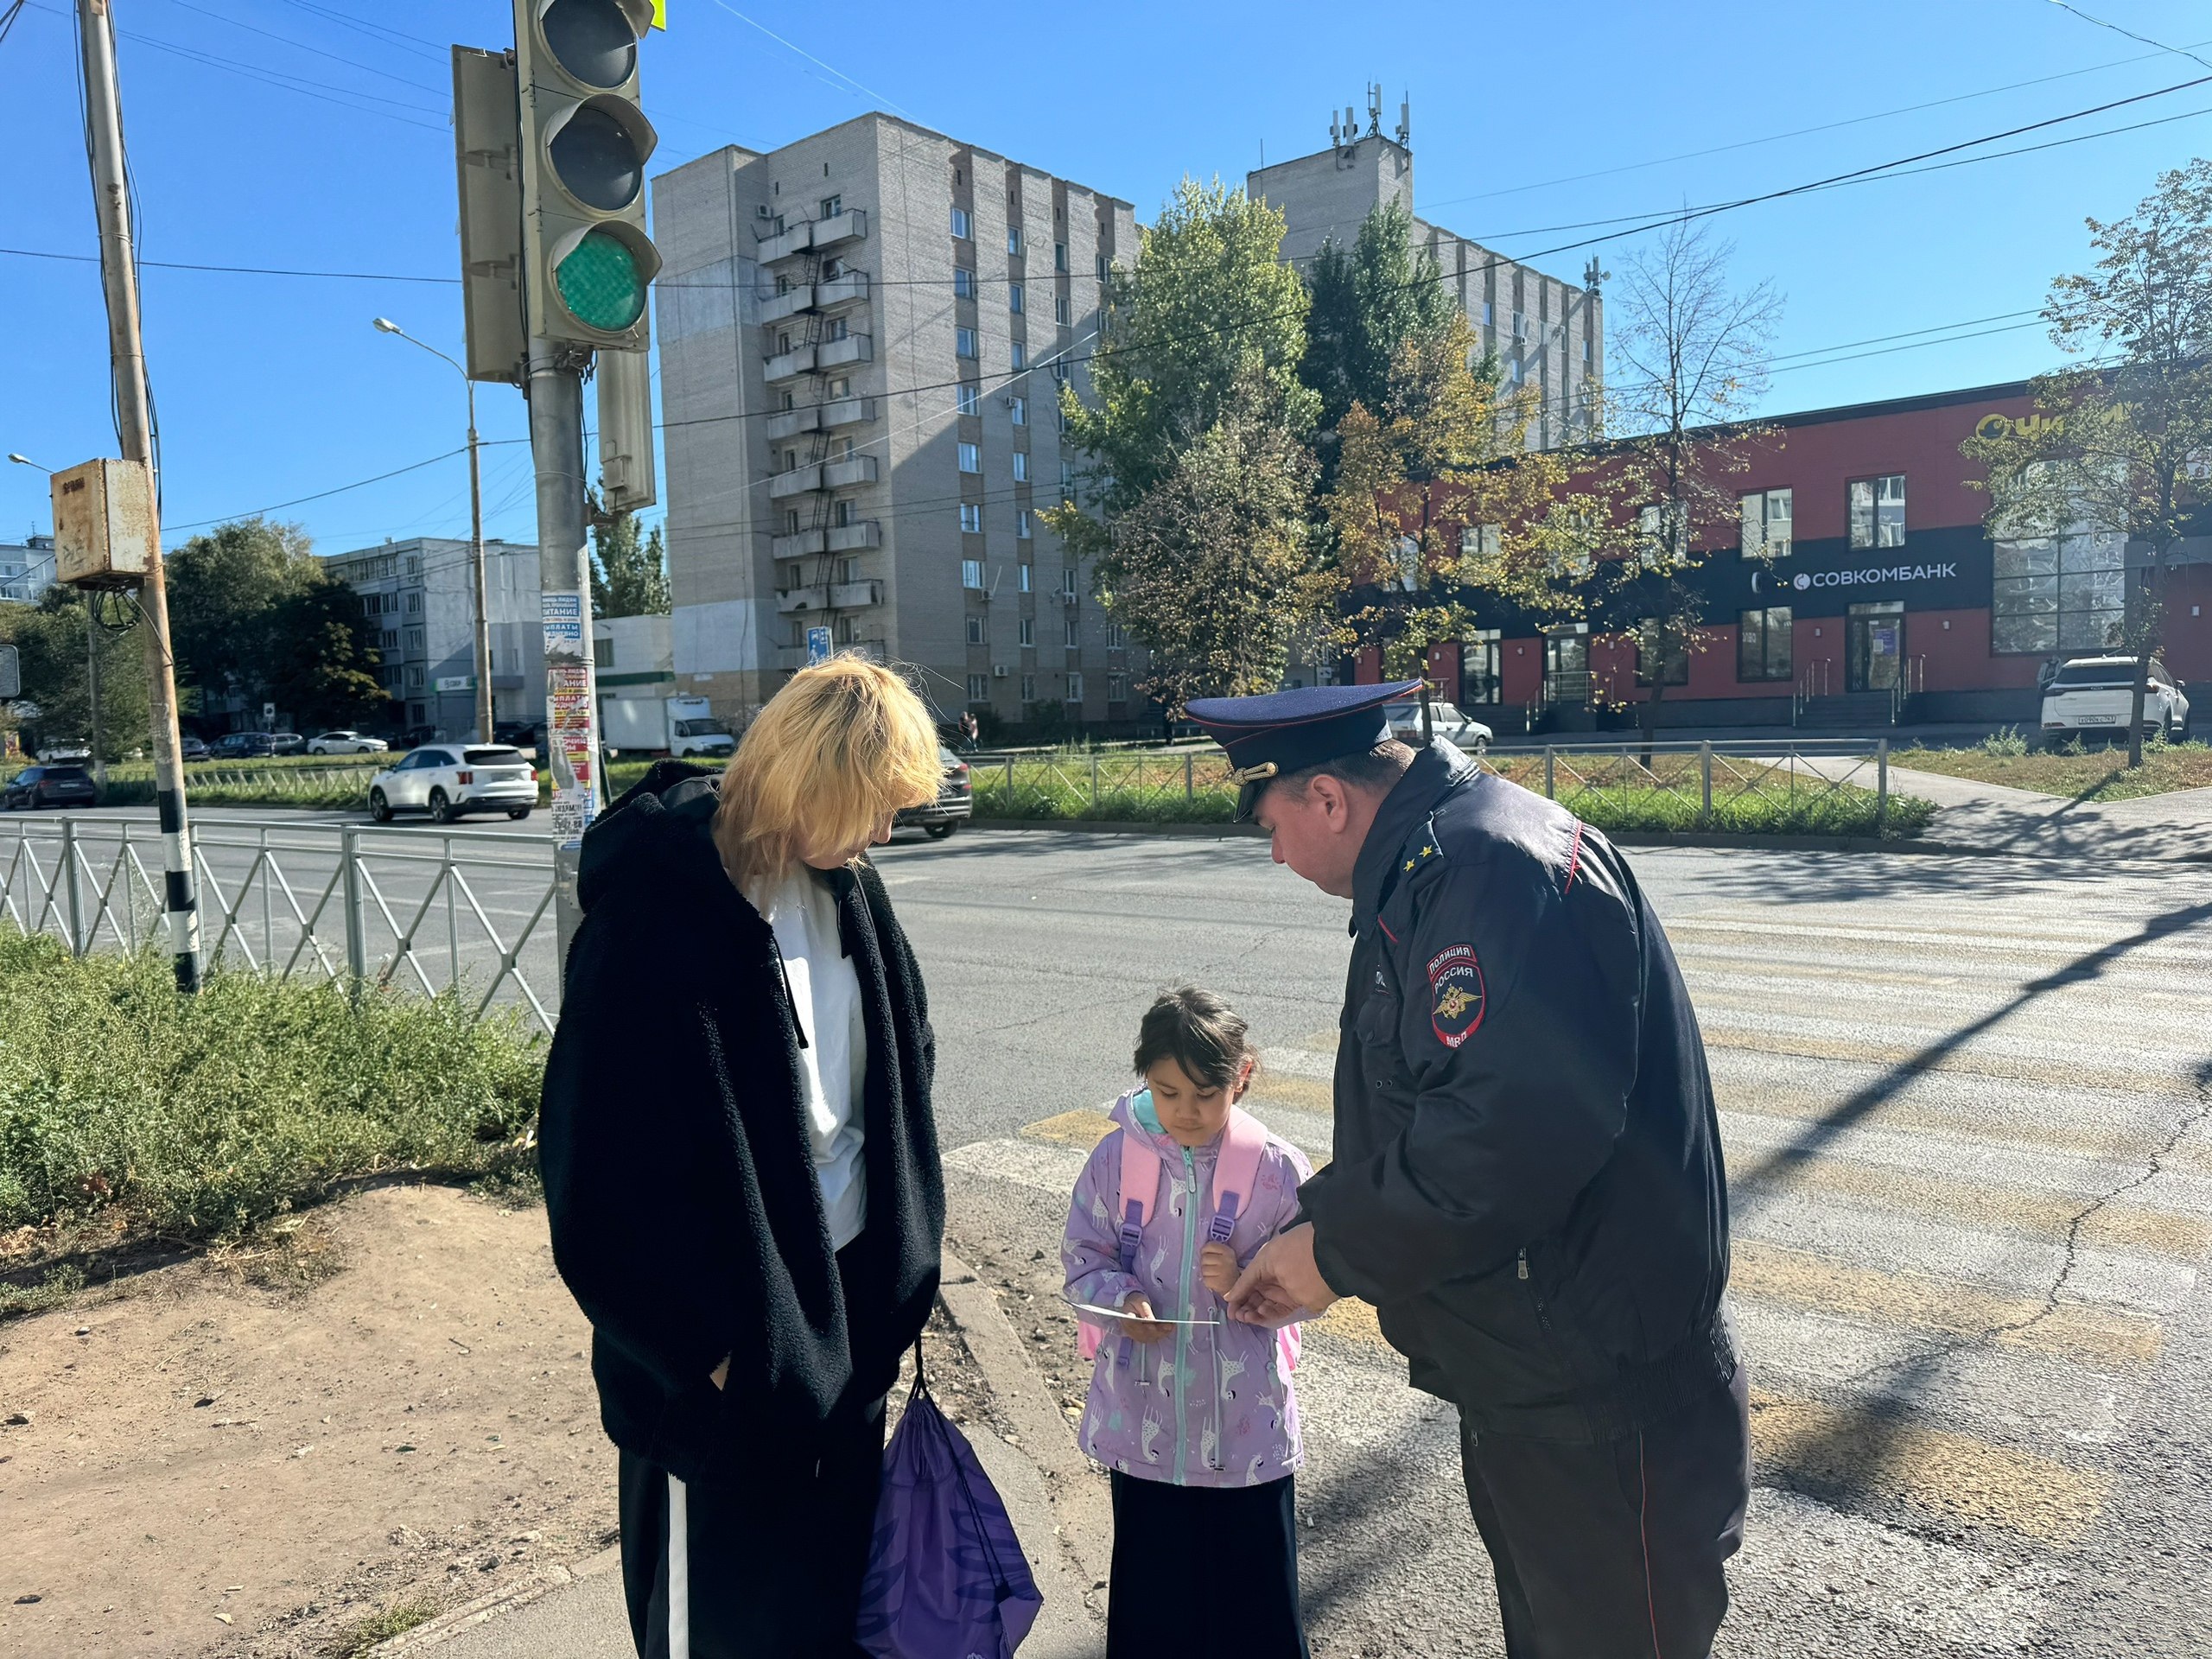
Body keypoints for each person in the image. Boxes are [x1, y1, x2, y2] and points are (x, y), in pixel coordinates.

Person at [1189, 680, 1749, 1659]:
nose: (1272, 852)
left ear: (1327, 799)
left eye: (1270, 824)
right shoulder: (1436, 862)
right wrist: (1319, 1231)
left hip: (1595, 1391)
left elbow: (1501, 1138)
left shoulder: (1484, 869)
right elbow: (1433, 1108)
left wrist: (1334, 1251)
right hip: (1537, 1369)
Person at [538, 656, 950, 1659]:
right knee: (722, 1634)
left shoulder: (850, 889)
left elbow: (907, 1065)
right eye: (872, 806)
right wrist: (711, 1355)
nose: (884, 834)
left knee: (829, 1623)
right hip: (721, 1387)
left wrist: (893, 1270)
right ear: (807, 781)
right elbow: (590, 1177)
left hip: (846, 1351)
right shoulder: (653, 916)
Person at [1062, 988, 1313, 1659]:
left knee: (1257, 1614)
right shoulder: (1114, 1162)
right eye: (1167, 1092)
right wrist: (1120, 1300)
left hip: (1247, 1440)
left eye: (1207, 1092)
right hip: (1143, 1433)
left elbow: (1316, 1286)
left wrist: (1248, 1282)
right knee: (1154, 1611)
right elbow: (1082, 1264)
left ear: (1243, 1078)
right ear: (1144, 1077)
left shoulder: (1278, 1170)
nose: (1187, 1111)